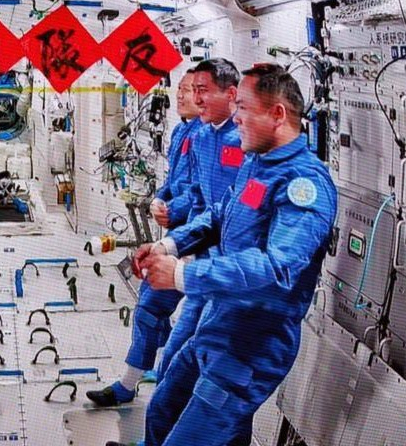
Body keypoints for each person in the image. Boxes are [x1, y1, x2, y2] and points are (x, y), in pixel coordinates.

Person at [137, 63, 337, 445]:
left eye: (243, 107)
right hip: (218, 323)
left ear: (277, 114)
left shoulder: (303, 183)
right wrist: (169, 244)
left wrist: (181, 275)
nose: (236, 117)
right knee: (162, 410)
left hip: (254, 341)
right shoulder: (257, 164)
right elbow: (219, 214)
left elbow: (277, 267)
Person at [88, 59, 243, 407]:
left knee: (195, 351)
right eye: (187, 90)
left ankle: (165, 392)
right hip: (189, 239)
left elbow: (220, 207)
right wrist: (161, 201)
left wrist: (176, 218)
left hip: (215, 258)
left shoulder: (238, 144)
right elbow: (188, 188)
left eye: (197, 90)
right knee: (152, 310)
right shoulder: (195, 136)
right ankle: (134, 383)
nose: (187, 97)